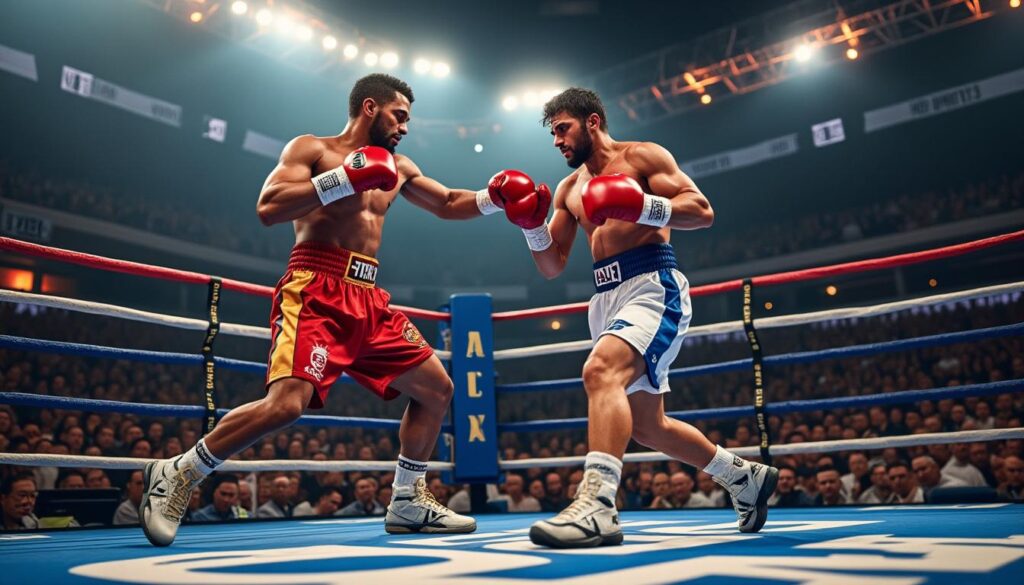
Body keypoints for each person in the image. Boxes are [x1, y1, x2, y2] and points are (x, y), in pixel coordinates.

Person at [139, 74, 510, 546]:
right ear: (370, 107)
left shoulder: (399, 166)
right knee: (286, 405)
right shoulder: (312, 149)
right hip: (315, 286)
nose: (405, 127)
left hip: (368, 297)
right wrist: (344, 179)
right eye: (399, 116)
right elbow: (269, 206)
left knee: (437, 389)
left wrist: (498, 200)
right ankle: (179, 471)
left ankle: (407, 500)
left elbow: (449, 202)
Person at [493, 87, 777, 548]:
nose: (557, 141)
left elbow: (702, 211)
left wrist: (642, 204)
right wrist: (530, 227)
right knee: (646, 426)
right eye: (552, 133)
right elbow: (552, 265)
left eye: (562, 129)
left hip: (652, 284)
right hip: (605, 297)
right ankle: (743, 477)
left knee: (600, 371)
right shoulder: (569, 189)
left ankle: (598, 504)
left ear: (592, 121)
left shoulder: (643, 156)